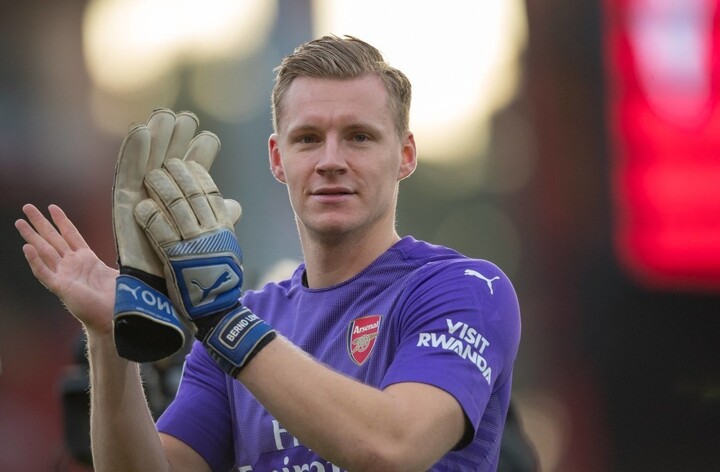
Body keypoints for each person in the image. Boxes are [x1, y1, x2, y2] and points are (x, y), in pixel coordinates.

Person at [15, 35, 522, 471]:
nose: (330, 160)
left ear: (405, 155)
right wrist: (110, 338)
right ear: (278, 159)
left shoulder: (465, 290)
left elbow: (391, 448)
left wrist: (223, 320)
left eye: (359, 137)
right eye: (308, 139)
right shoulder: (245, 318)